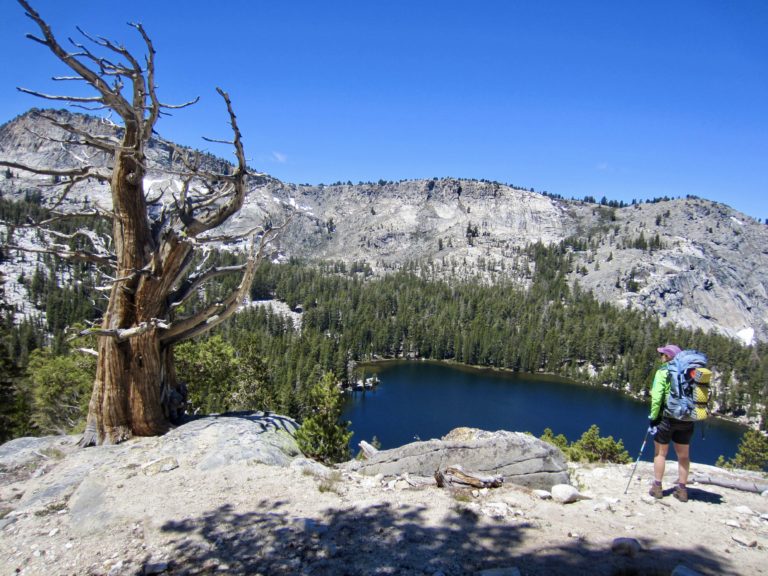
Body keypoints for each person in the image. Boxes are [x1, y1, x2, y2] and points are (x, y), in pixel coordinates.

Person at [648, 343, 693, 502]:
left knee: (660, 453)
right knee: (684, 456)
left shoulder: (663, 372)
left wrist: (653, 418)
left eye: (662, 354)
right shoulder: (689, 372)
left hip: (667, 418)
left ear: (668, 357)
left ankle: (657, 487)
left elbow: (657, 397)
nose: (660, 357)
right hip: (687, 419)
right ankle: (682, 490)